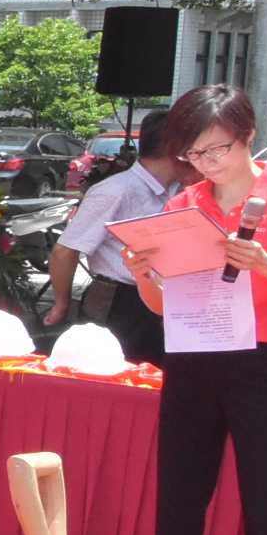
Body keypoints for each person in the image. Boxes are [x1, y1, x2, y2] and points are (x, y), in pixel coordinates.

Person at [112, 84, 267, 535]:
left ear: (248, 136)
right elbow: (166, 303)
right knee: (178, 501)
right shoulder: (187, 202)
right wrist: (143, 275)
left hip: (266, 362)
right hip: (194, 357)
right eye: (197, 153)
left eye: (220, 150)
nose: (209, 163)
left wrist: (264, 265)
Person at [52, 107, 177, 362]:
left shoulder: (180, 190)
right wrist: (61, 303)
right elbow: (65, 250)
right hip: (119, 301)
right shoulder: (115, 190)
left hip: (165, 298)